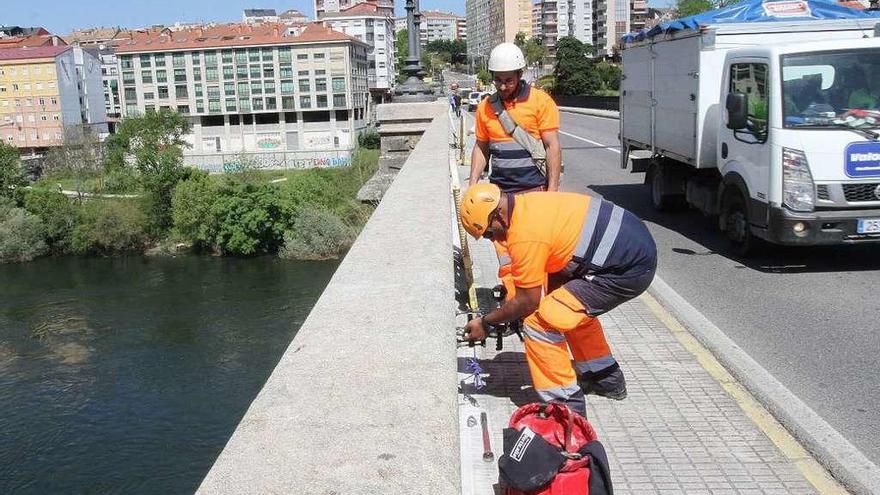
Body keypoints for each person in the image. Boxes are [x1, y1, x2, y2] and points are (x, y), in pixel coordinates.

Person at [459, 184, 657, 416]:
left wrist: (486, 323)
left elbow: (528, 301)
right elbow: (557, 262)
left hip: (626, 270)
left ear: (498, 217)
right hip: (634, 248)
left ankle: (564, 406)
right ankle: (604, 378)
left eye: (489, 233)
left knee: (540, 323)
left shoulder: (524, 235)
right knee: (565, 309)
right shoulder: (529, 204)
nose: (493, 240)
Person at [470, 42, 564, 302]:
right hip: (501, 195)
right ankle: (515, 301)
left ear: (520, 74)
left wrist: (552, 191)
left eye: (508, 80)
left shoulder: (540, 102)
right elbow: (481, 147)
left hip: (533, 192)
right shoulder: (485, 108)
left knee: (534, 250)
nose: (502, 86)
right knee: (504, 250)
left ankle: (536, 300)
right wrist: (473, 184)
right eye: (497, 80)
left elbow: (552, 147)